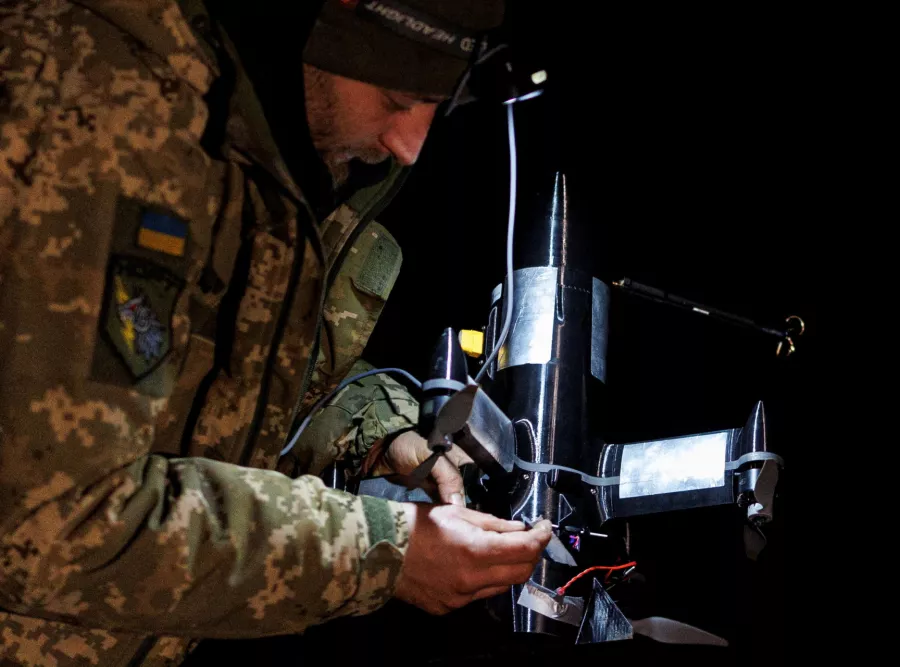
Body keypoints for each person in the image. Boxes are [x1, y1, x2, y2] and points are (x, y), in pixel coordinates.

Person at [0, 0, 552, 665]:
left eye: (440, 103)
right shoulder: (113, 113)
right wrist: (380, 552)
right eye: (399, 97)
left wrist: (372, 434)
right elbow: (54, 521)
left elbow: (208, 374)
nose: (410, 144)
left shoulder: (276, 123)